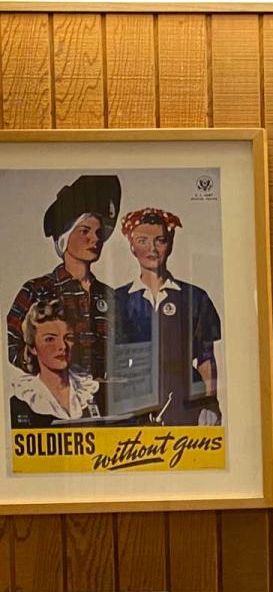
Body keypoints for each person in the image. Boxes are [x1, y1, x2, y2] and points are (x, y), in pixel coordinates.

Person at [6, 174, 121, 409]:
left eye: (99, 233)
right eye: (85, 231)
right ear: (65, 237)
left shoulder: (111, 297)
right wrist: (49, 374)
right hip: (55, 403)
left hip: (109, 404)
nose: (94, 239)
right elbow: (12, 345)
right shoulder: (36, 290)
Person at [114, 207, 222, 425]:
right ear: (131, 246)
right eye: (143, 240)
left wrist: (210, 404)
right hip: (133, 410)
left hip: (185, 407)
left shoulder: (195, 298)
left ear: (170, 244)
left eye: (160, 240)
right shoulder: (118, 300)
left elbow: (205, 359)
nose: (152, 249)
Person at [8, 298, 102, 427]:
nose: (62, 346)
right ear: (33, 348)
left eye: (68, 338)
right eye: (50, 339)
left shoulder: (92, 391)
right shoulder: (22, 401)